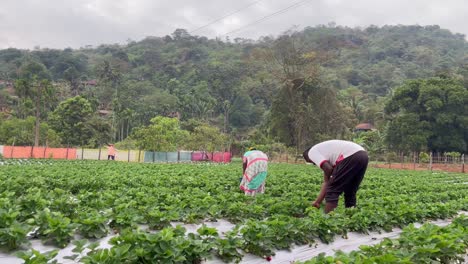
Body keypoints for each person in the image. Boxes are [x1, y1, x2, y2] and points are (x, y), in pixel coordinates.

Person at [303, 140, 368, 213]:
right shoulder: (326, 154)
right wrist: (317, 202)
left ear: (308, 157)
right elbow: (326, 181)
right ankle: (351, 218)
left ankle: (328, 220)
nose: (315, 164)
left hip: (350, 155)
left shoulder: (312, 153)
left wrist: (334, 180)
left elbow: (329, 170)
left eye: (312, 162)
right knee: (350, 191)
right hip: (363, 155)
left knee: (332, 191)